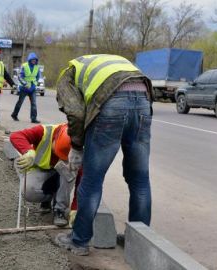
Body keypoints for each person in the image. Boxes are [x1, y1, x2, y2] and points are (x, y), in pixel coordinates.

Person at [53, 54, 153, 256]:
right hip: (143, 99)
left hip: (113, 102)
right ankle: (138, 242)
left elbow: (76, 112)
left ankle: (78, 240)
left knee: (91, 180)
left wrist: (77, 146)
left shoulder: (67, 74)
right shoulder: (103, 62)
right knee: (140, 179)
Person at [10, 123, 78, 226]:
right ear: (55, 138)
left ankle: (60, 210)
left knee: (71, 169)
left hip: (61, 175)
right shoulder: (43, 132)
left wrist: (75, 207)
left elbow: (83, 181)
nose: (59, 156)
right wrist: (28, 151)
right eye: (58, 151)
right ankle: (48, 199)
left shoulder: (78, 146)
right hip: (43, 173)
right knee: (29, 191)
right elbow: (15, 136)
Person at [11, 52, 41, 123]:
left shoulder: (37, 67)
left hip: (32, 88)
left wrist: (34, 84)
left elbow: (37, 77)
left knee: (34, 103)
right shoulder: (24, 66)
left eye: (35, 60)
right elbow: (20, 77)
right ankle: (14, 115)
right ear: (30, 60)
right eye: (33, 60)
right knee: (20, 102)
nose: (34, 61)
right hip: (24, 88)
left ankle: (33, 118)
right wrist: (25, 84)